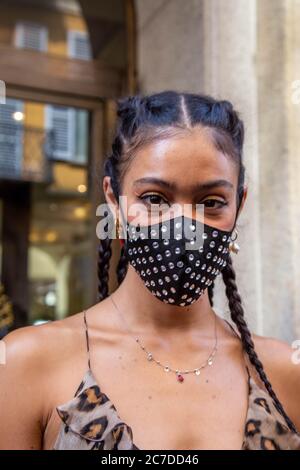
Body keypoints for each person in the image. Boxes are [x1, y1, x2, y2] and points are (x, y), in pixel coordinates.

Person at [0, 91, 299, 450]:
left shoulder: (285, 371)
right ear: (114, 198)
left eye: (212, 202)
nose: (185, 226)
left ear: (240, 203)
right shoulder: (26, 365)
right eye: (154, 198)